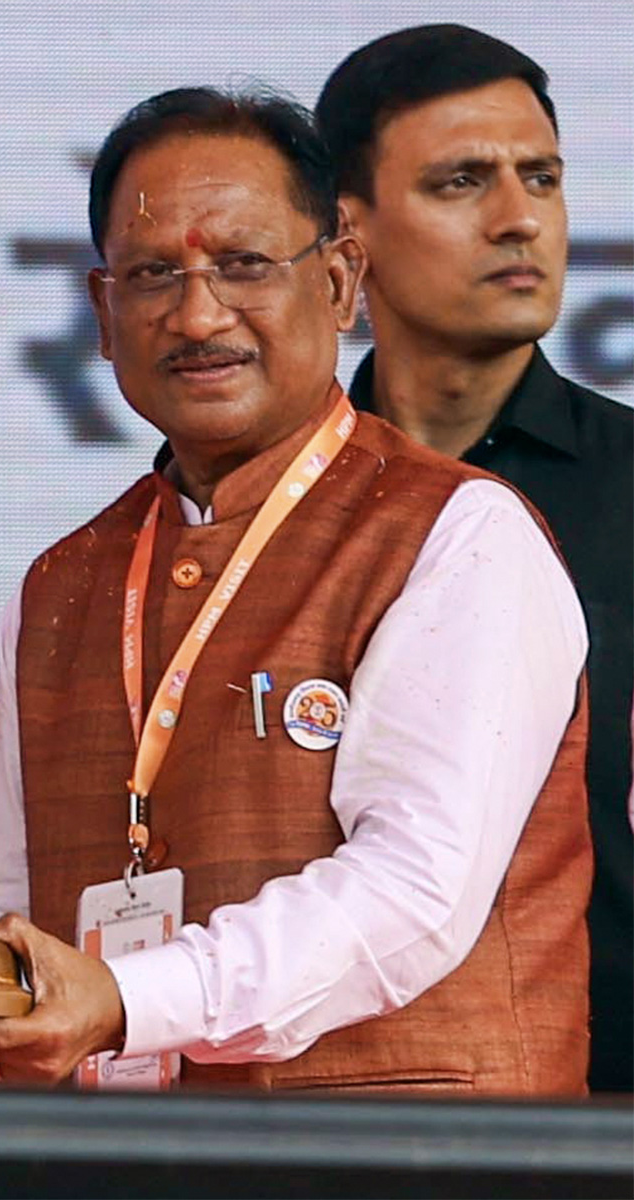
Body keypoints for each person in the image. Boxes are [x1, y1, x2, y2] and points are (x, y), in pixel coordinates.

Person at [0, 87, 592, 1093]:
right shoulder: (63, 581)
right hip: (111, 1162)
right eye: (153, 274)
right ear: (104, 316)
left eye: (242, 266)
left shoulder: (456, 536)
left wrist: (124, 1000)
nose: (197, 315)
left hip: (408, 1163)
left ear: (337, 282)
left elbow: (410, 892)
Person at [316, 23, 633, 1094]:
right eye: (461, 182)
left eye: (538, 177)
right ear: (344, 237)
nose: (518, 219)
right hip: (318, 1111)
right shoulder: (270, 512)